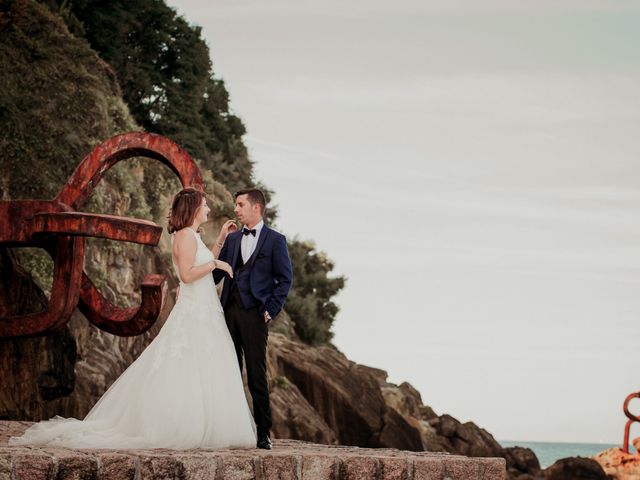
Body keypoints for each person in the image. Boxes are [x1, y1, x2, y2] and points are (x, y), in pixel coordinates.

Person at [9, 187, 256, 449]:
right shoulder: (183, 236)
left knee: (206, 366)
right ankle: (181, 426)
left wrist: (218, 243)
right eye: (205, 205)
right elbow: (186, 275)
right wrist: (217, 265)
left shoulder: (192, 236)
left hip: (206, 310)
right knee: (186, 365)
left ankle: (210, 427)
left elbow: (201, 264)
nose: (208, 208)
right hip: (193, 311)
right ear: (194, 208)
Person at [213, 188, 293, 450]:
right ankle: (230, 428)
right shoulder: (234, 239)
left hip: (256, 314)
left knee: (257, 375)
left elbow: (284, 279)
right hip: (230, 311)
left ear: (255, 207)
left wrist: (271, 309)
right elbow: (216, 275)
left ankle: (263, 432)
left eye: (240, 204)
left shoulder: (275, 240)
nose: (236, 209)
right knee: (228, 371)